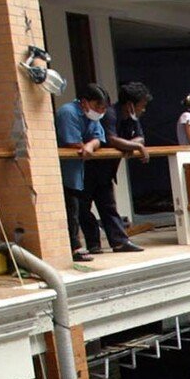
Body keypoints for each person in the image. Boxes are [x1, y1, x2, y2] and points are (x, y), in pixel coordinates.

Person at [81, 82, 148, 255]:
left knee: (108, 206)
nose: (143, 110)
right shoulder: (110, 113)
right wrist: (135, 147)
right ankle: (93, 243)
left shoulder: (132, 119)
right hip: (90, 167)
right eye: (142, 106)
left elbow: (141, 138)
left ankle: (119, 242)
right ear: (130, 104)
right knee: (84, 207)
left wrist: (130, 144)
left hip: (107, 170)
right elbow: (111, 140)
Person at [56, 83, 111, 263]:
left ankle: (86, 244)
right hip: (66, 172)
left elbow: (98, 139)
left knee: (81, 209)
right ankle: (74, 247)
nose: (100, 112)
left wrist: (90, 145)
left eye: (103, 108)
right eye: (97, 107)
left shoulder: (92, 116)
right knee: (71, 211)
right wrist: (86, 145)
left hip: (80, 172)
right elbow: (72, 142)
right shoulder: (68, 112)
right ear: (85, 102)